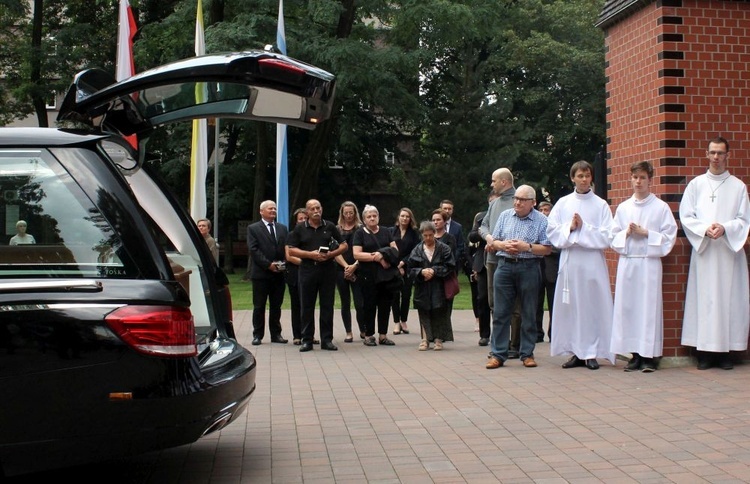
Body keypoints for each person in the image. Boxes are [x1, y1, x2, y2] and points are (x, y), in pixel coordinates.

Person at [679, 137, 750, 370]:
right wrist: (704, 230)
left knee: (728, 300)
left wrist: (726, 227)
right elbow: (686, 216)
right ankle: (706, 353)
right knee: (706, 300)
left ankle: (725, 353)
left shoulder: (738, 186)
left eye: (720, 153)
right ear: (706, 154)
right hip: (705, 252)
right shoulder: (696, 185)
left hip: (729, 253)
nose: (716, 157)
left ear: (728, 155)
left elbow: (744, 219)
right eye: (712, 153)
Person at [547, 160, 615, 370]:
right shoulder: (563, 203)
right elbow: (551, 231)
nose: (584, 180)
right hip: (571, 262)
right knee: (572, 308)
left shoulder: (600, 204)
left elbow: (608, 235)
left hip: (592, 262)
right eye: (580, 176)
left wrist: (583, 229)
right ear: (572, 178)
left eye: (587, 176)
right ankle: (576, 351)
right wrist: (570, 226)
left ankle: (591, 352)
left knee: (591, 306)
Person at [610, 161, 677, 372]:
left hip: (648, 263)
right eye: (635, 177)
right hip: (629, 263)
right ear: (631, 179)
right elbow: (612, 237)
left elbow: (669, 236)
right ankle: (635, 355)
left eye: (642, 178)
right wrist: (627, 233)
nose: (638, 182)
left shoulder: (660, 207)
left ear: (650, 180)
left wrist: (646, 233)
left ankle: (650, 356)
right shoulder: (623, 207)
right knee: (628, 309)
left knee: (648, 309)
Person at [485, 185, 552, 369]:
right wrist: (503, 245)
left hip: (529, 267)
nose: (517, 202)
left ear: (533, 202)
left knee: (528, 311)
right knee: (500, 312)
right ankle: (498, 354)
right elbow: (494, 241)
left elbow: (547, 249)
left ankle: (527, 353)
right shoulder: (505, 215)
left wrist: (527, 247)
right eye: (516, 198)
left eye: (522, 200)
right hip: (504, 266)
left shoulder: (541, 220)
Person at [287, 199, 348, 352]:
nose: (316, 211)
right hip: (308, 270)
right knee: (307, 306)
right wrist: (310, 255)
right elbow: (291, 250)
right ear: (307, 212)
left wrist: (331, 254)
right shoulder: (300, 228)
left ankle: (327, 340)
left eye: (318, 208)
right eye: (312, 208)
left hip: (327, 270)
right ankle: (306, 339)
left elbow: (344, 245)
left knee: (327, 305)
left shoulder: (329, 226)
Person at [352, 205, 399, 347]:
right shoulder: (360, 233)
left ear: (378, 216)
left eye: (374, 216)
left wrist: (383, 255)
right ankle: (369, 335)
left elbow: (395, 249)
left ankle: (383, 335)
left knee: (385, 304)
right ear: (364, 219)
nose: (372, 218)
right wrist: (376, 257)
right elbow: (357, 254)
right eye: (369, 216)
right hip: (368, 275)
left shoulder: (386, 231)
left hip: (386, 276)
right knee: (369, 305)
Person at [407, 221, 456, 351]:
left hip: (438, 286)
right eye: (425, 235)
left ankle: (438, 339)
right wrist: (421, 272)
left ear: (434, 233)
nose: (428, 238)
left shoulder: (444, 248)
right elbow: (410, 269)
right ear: (421, 235)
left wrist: (434, 271)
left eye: (430, 235)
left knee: (439, 311)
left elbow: (450, 266)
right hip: (422, 287)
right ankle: (424, 340)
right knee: (423, 311)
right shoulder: (416, 250)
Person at [246, 201, 289, 345]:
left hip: (279, 274)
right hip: (261, 274)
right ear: (261, 211)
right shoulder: (253, 229)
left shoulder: (282, 228)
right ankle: (257, 335)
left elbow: (286, 248)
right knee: (259, 306)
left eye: (275, 209)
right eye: (270, 208)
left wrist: (282, 263)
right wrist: (268, 265)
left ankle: (276, 334)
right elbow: (254, 249)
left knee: (276, 306)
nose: (273, 211)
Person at [468, 191, 498, 346]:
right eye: (491, 202)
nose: (494, 205)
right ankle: (484, 334)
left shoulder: (506, 216)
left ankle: (501, 335)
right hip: (482, 263)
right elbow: (472, 236)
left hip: (499, 261)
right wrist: (485, 234)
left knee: (499, 300)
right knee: (482, 299)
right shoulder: (481, 218)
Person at [334, 201, 363, 342]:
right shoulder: (337, 229)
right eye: (346, 213)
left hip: (358, 267)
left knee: (360, 302)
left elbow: (365, 249)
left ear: (355, 213)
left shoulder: (361, 229)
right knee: (345, 302)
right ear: (342, 213)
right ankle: (348, 332)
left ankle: (363, 330)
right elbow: (335, 251)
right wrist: (346, 266)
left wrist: (354, 266)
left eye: (351, 212)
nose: (349, 215)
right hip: (341, 269)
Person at [390, 208, 420, 335]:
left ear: (410, 218)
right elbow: (388, 248)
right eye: (402, 216)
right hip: (393, 267)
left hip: (408, 267)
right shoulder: (391, 231)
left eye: (407, 216)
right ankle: (396, 322)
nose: (404, 218)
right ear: (398, 217)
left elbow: (415, 251)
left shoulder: (414, 233)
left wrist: (403, 263)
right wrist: (396, 264)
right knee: (395, 295)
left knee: (406, 295)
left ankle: (403, 320)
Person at [534, 201, 558, 342]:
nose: (544, 212)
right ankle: (537, 333)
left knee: (553, 303)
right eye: (541, 210)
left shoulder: (555, 228)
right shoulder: (535, 226)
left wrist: (546, 250)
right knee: (536, 304)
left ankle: (553, 333)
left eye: (546, 210)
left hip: (552, 269)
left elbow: (560, 246)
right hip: (537, 269)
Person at [285, 208, 308, 345]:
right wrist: (307, 262)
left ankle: (308, 334)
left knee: (308, 305)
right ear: (296, 221)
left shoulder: (312, 233)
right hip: (295, 274)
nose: (303, 221)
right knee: (296, 304)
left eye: (306, 218)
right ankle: (297, 335)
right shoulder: (291, 235)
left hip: (309, 274)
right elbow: (289, 256)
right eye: (301, 219)